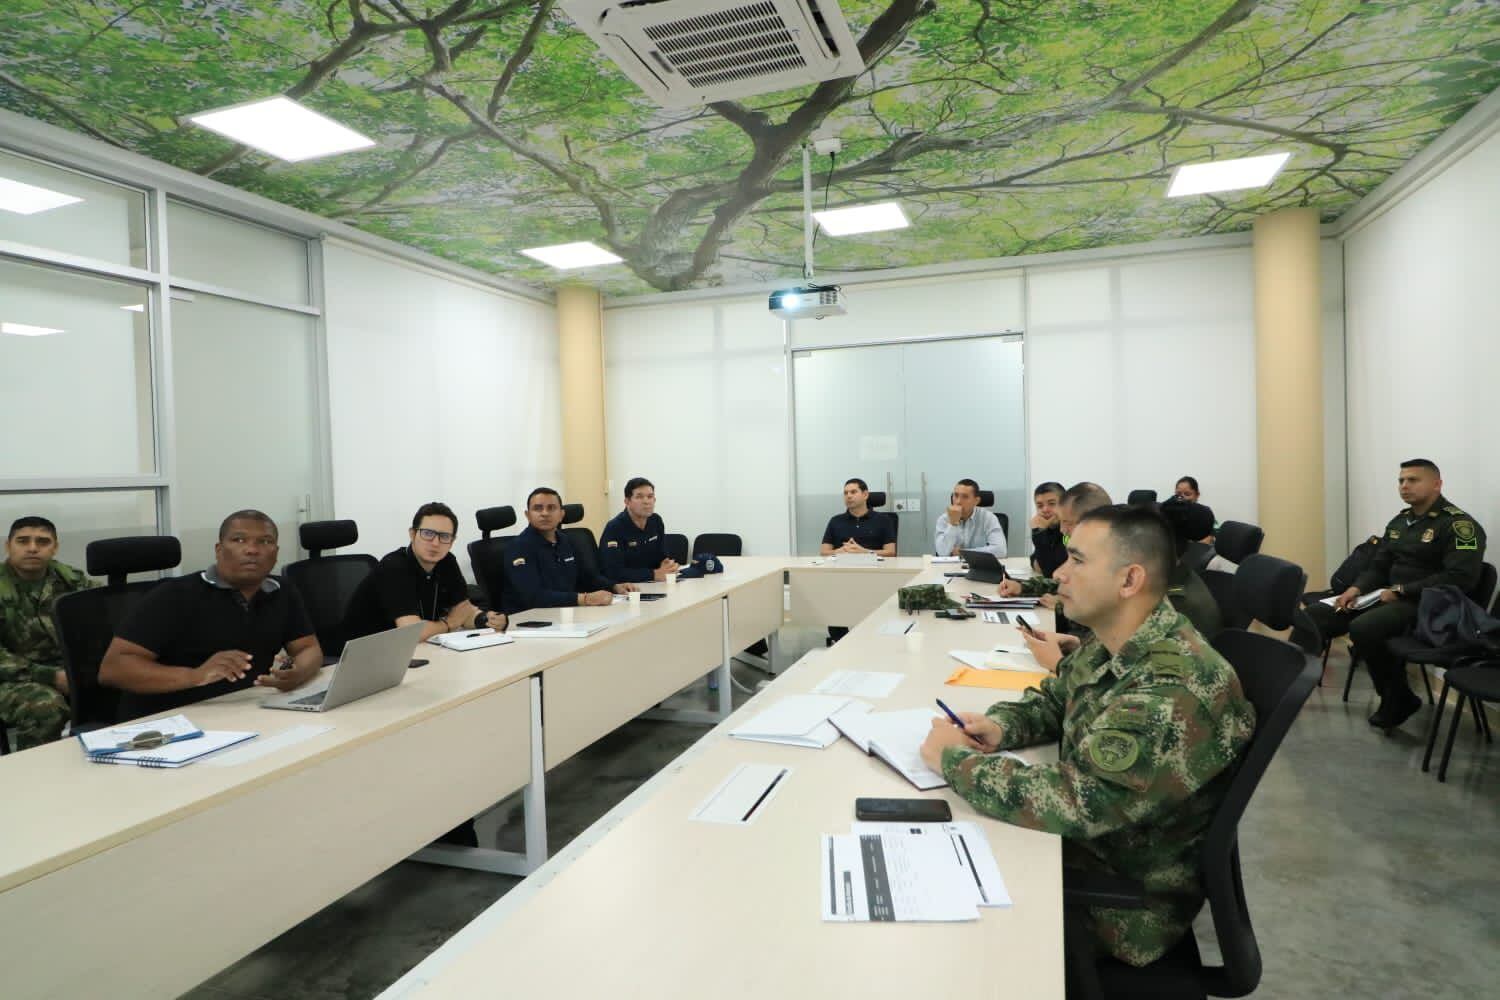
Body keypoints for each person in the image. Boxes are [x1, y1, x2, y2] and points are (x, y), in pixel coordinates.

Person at [919, 504, 1255, 968]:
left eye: (1077, 561)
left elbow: (1081, 803)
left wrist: (957, 763)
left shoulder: (1170, 686)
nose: (1058, 574)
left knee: (928, 914)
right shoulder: (1122, 639)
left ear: (1129, 581)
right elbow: (1061, 695)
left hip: (1120, 902)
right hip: (1090, 852)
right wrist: (1001, 727)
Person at [1302, 459, 1486, 730]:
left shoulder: (1459, 526)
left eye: (1413, 480)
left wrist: (1402, 590)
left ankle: (1396, 698)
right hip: (1387, 596)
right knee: (1318, 613)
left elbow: (1461, 579)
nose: (1404, 486)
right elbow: (1379, 565)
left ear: (1437, 484)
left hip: (1429, 604)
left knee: (1365, 627)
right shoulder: (1401, 522)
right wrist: (1356, 589)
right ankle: (1291, 684)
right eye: (1401, 480)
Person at [100, 510, 323, 721]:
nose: (252, 550)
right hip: (169, 719)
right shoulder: (174, 595)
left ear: (276, 552)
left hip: (245, 709)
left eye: (264, 541)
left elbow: (308, 648)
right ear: (219, 549)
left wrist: (298, 673)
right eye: (239, 540)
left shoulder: (282, 590)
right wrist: (195, 675)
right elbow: (114, 669)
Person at [342, 501, 504, 644]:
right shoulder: (394, 567)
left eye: (444, 536)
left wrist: (487, 620)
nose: (435, 543)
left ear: (452, 541)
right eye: (428, 534)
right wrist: (448, 624)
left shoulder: (447, 561)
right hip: (364, 654)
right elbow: (411, 632)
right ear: (412, 534)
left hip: (414, 649)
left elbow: (462, 612)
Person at [0, 516, 95, 749]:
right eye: (23, 541)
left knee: (127, 685)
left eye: (42, 542)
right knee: (46, 708)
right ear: (8, 546)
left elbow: (104, 622)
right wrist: (51, 676)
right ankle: (34, 779)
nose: (32, 548)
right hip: (10, 677)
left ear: (55, 548)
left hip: (67, 671)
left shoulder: (72, 581)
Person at [504, 488, 635, 614]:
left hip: (564, 612)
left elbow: (586, 577)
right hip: (530, 620)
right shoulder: (519, 547)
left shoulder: (566, 541)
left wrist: (614, 586)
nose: (544, 513)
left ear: (561, 515)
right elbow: (533, 596)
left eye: (551, 508)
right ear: (528, 515)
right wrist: (585, 599)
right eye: (538, 508)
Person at [1002, 482, 1113, 599]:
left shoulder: (1112, 552)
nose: (1062, 530)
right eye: (1039, 505)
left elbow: (1105, 599)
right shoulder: (1082, 545)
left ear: (1093, 522)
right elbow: (1065, 581)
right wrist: (1022, 588)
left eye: (1067, 522)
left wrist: (1064, 604)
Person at [599, 477, 680, 583]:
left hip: (654, 584)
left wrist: (668, 566)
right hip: (629, 589)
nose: (646, 501)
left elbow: (662, 557)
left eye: (650, 497)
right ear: (627, 501)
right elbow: (613, 573)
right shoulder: (614, 528)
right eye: (639, 497)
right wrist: (654, 574)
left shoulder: (656, 521)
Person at [819, 479, 896, 557]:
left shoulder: (883, 520)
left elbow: (891, 552)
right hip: (842, 566)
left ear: (865, 495)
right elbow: (824, 552)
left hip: (873, 567)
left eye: (853, 492)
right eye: (845, 493)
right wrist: (838, 551)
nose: (848, 496)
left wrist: (865, 552)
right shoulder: (835, 521)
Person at [934, 478, 1007, 557]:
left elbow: (1001, 550)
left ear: (976, 501)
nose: (958, 501)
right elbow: (942, 553)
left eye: (965, 497)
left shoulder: (988, 518)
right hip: (951, 567)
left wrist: (963, 553)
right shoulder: (944, 519)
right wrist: (953, 524)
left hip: (980, 565)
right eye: (956, 495)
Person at [1029, 481, 1068, 577]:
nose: (1045, 510)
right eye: (1040, 506)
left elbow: (1050, 572)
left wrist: (1038, 533)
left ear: (1065, 505)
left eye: (1051, 504)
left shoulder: (1069, 531)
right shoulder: (1048, 528)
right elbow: (1035, 558)